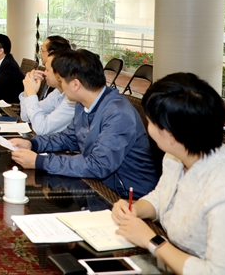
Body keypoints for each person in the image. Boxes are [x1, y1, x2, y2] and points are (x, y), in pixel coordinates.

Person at [112, 73, 225, 274]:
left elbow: (220, 272)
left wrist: (151, 240)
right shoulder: (177, 156)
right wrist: (135, 209)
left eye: (150, 122)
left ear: (170, 136)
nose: (147, 127)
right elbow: (162, 198)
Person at [10, 49, 158, 198]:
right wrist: (33, 144)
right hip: (97, 185)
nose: (61, 86)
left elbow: (99, 165)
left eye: (62, 80)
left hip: (126, 197)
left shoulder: (118, 113)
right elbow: (68, 138)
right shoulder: (83, 104)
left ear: (76, 84)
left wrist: (40, 161)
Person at [19, 36, 75, 134]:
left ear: (59, 73)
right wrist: (27, 90)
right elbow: (25, 117)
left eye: (47, 70)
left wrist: (31, 94)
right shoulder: (58, 92)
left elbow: (42, 129)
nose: (44, 73)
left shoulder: (73, 100)